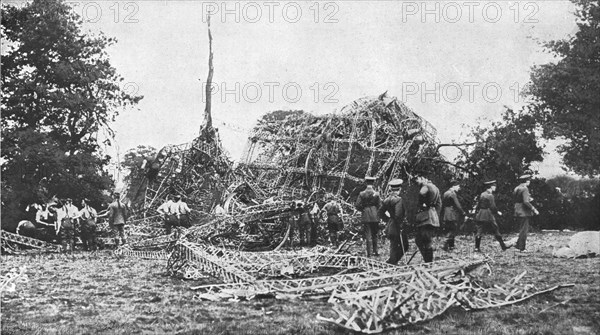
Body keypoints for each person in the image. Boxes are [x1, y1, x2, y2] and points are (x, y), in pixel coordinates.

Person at [474, 180, 512, 252]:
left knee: (479, 230)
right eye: (494, 186)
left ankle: (476, 248)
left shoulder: (482, 194)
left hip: (481, 213)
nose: (495, 188)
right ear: (491, 187)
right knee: (496, 228)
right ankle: (503, 246)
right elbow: (493, 207)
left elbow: (479, 204)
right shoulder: (490, 195)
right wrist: (497, 212)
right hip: (488, 214)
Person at [378, 179, 408, 265]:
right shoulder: (399, 200)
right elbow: (398, 215)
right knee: (404, 246)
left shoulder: (386, 200)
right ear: (400, 189)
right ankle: (392, 262)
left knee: (394, 246)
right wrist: (400, 224)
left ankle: (392, 261)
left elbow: (380, 213)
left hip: (390, 226)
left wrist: (388, 219)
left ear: (391, 189)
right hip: (398, 226)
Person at [414, 176, 442, 263]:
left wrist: (422, 206)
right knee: (425, 240)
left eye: (417, 179)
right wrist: (435, 215)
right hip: (432, 216)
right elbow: (439, 204)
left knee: (423, 241)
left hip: (425, 217)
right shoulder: (435, 187)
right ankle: (428, 262)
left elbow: (420, 201)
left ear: (422, 178)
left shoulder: (425, 187)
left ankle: (428, 262)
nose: (416, 182)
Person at [355, 176, 382, 257]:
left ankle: (369, 253)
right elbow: (380, 205)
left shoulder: (362, 193)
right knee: (375, 234)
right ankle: (375, 251)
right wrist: (375, 210)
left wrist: (363, 209)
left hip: (366, 215)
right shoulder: (376, 194)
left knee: (368, 234)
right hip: (375, 215)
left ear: (366, 183)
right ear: (373, 183)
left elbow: (357, 205)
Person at [513, 174, 539, 253]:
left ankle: (518, 244)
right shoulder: (525, 189)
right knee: (524, 230)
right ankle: (522, 248)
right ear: (526, 181)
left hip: (517, 209)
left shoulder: (516, 188)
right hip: (523, 211)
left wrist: (528, 198)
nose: (529, 182)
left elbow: (518, 199)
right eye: (529, 180)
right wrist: (534, 209)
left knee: (521, 228)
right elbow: (525, 202)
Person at [442, 180, 466, 251]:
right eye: (458, 186)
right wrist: (463, 212)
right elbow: (457, 205)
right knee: (453, 229)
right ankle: (446, 243)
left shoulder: (445, 193)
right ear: (454, 186)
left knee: (449, 228)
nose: (459, 188)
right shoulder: (453, 194)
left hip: (446, 213)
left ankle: (451, 246)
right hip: (452, 213)